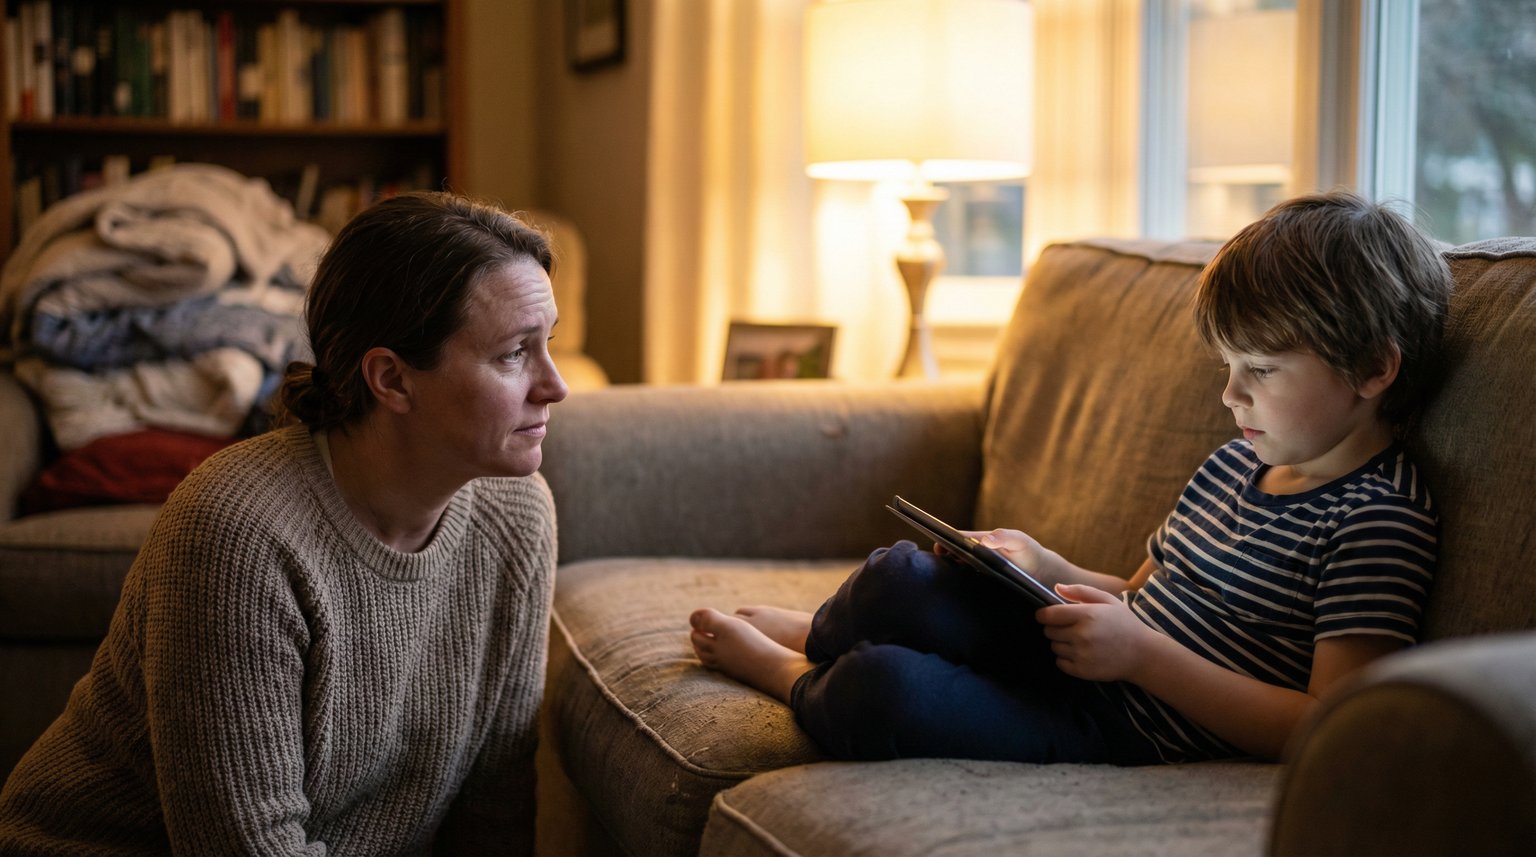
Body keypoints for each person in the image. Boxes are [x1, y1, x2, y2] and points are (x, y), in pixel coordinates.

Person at [690, 190, 1452, 765]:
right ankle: (825, 632)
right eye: (1228, 365)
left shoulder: (1377, 521)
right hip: (1089, 658)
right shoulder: (1237, 464)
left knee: (883, 692)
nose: (1231, 394)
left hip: (1124, 723)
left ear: (1374, 367)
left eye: (1261, 369)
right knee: (900, 574)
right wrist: (1045, 566)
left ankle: (791, 671)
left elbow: (1329, 723)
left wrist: (1142, 656)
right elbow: (1141, 591)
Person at [0, 192, 569, 854]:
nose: (554, 384)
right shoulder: (236, 530)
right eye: (513, 353)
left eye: (547, 344)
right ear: (391, 378)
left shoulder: (519, 515)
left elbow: (493, 813)